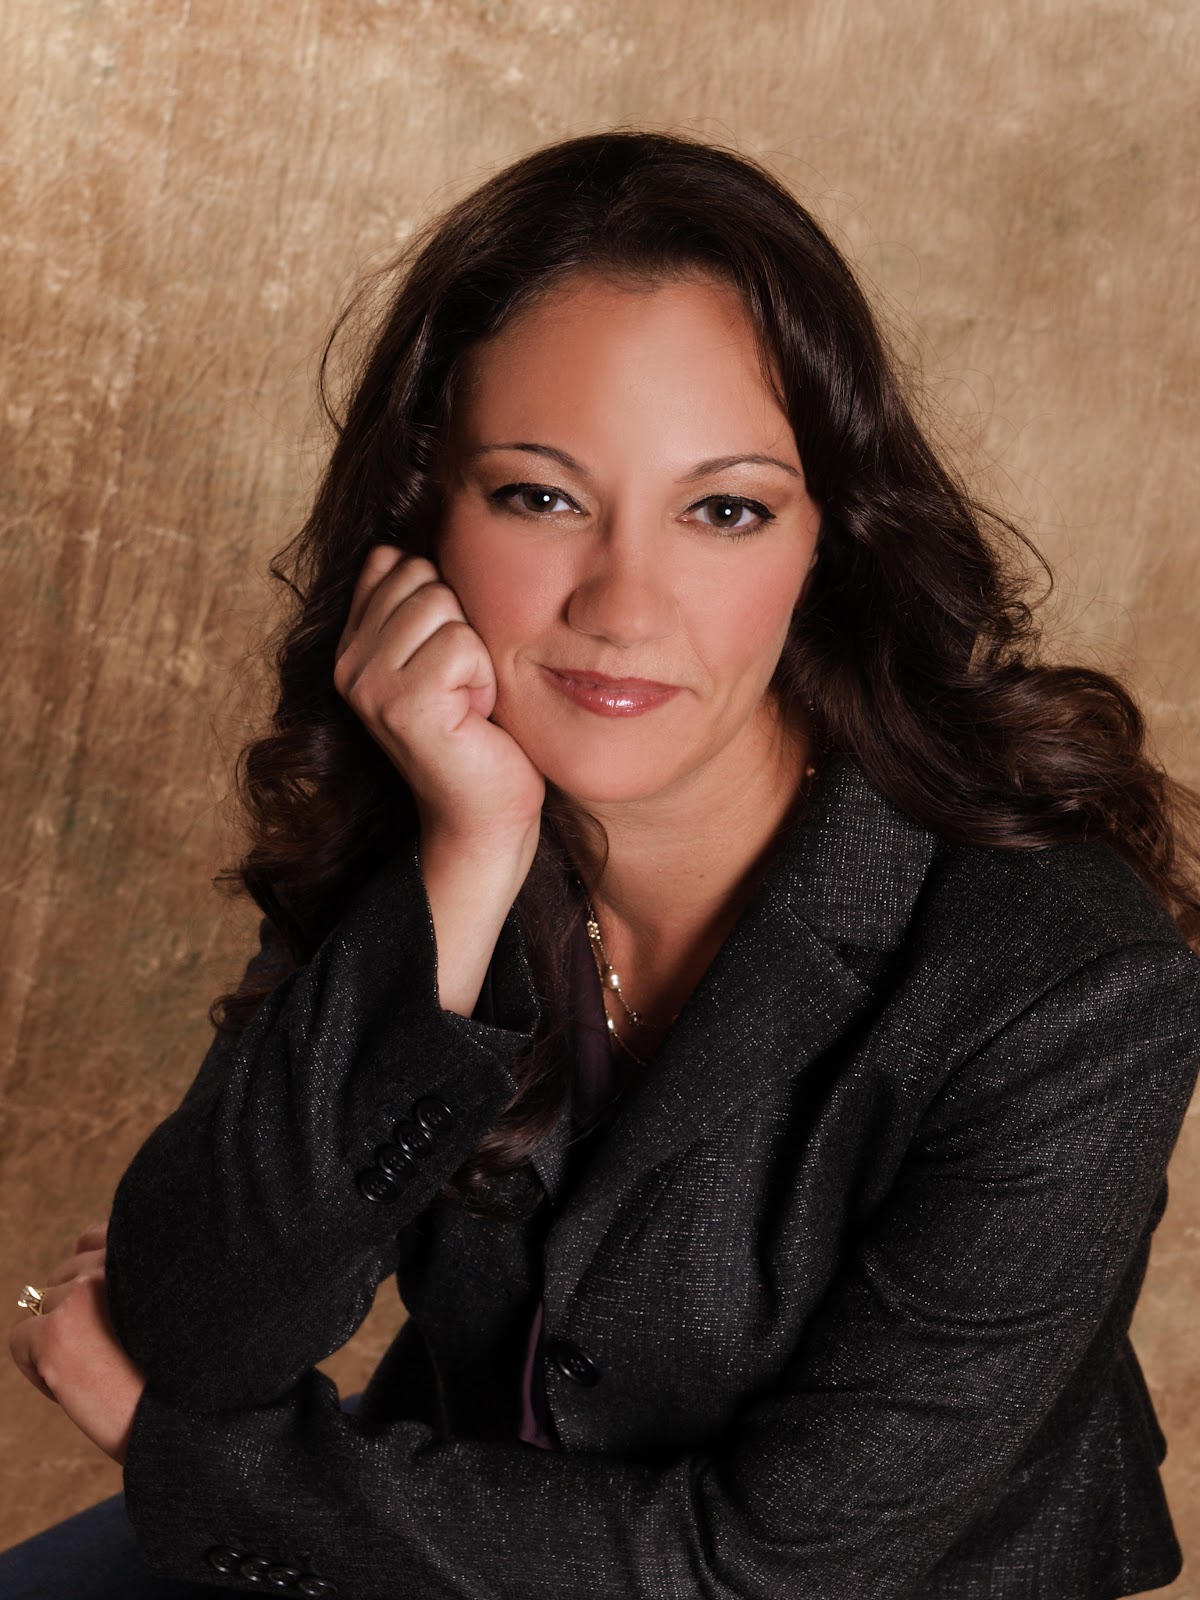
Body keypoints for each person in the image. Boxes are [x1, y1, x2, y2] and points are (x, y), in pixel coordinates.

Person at [6, 127, 1200, 1599]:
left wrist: (187, 1456)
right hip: (451, 1542)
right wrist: (465, 859)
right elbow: (196, 1325)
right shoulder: (445, 807)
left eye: (725, 510)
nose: (624, 607)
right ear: (422, 516)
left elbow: (769, 1573)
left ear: (828, 541)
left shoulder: (1068, 983)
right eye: (541, 496)